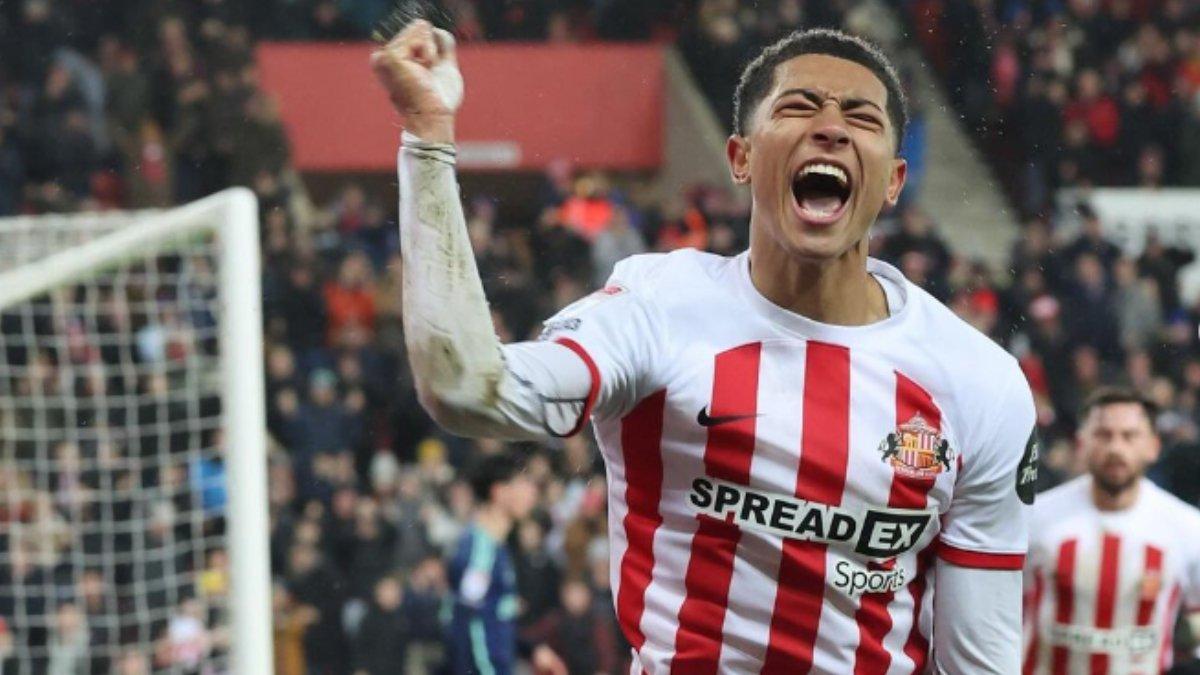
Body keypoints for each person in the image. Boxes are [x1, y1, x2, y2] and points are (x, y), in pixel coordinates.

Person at [373, 19, 1037, 672]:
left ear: (893, 180)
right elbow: (465, 387)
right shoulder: (658, 309)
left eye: (860, 117)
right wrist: (428, 138)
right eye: (799, 106)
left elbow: (980, 663)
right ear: (741, 158)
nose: (831, 127)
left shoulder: (979, 381)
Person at [1021, 388, 1200, 674]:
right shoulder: (1035, 519)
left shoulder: (1187, 528)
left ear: (1153, 446)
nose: (1116, 448)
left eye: (1129, 436)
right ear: (1081, 443)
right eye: (1104, 435)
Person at [445, 452, 563, 675]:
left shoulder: (498, 548)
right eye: (523, 483)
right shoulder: (480, 552)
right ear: (499, 492)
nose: (532, 491)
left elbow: (490, 619)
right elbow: (467, 623)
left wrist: (530, 649)